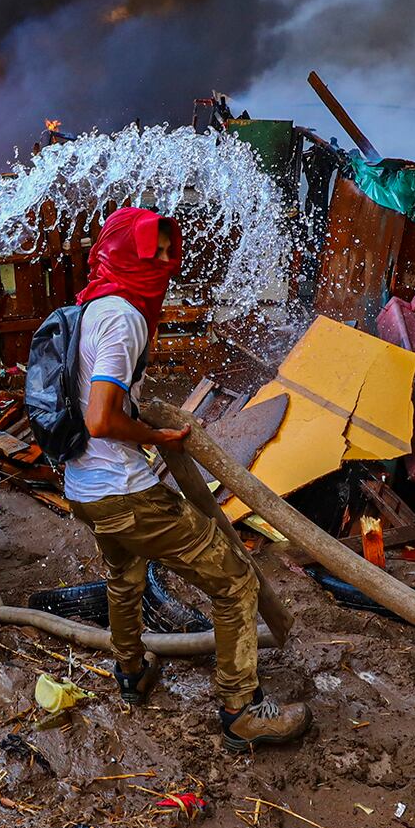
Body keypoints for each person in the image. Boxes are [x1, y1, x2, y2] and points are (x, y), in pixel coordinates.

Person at [63, 206, 311, 752]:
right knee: (236, 582)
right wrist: (160, 439)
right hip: (123, 491)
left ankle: (132, 673)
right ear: (129, 254)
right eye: (157, 251)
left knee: (124, 576)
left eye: (170, 250)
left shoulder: (93, 304)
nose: (170, 262)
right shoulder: (124, 316)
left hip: (84, 487)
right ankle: (242, 709)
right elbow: (101, 417)